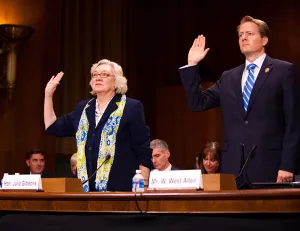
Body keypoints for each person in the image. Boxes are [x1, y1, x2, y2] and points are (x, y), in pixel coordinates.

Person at [179, 15, 300, 185]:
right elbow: (197, 103)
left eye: (249, 33)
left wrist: (288, 164)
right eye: (241, 34)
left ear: (264, 40)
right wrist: (192, 65)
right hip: (233, 168)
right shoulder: (229, 77)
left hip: (271, 166)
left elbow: (294, 123)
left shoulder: (283, 71)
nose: (243, 37)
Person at [44, 59, 153, 192]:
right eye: (95, 75)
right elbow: (52, 126)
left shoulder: (131, 107)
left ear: (116, 81)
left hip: (120, 189)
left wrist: (144, 186)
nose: (98, 78)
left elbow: (142, 148)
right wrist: (48, 94)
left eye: (105, 74)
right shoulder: (83, 108)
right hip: (86, 190)